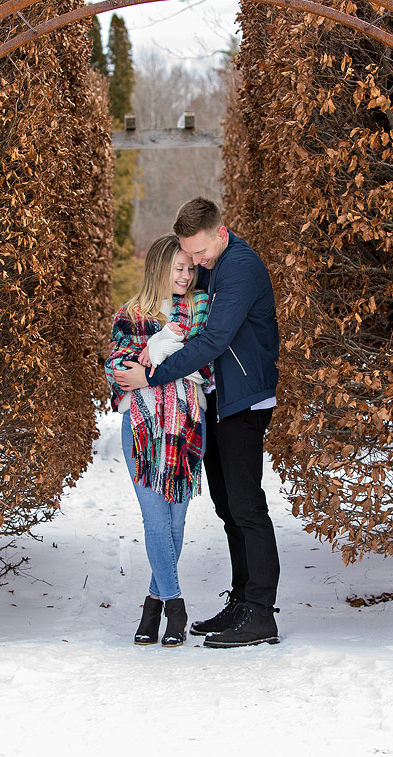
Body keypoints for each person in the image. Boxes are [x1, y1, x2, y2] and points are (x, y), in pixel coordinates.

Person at [114, 198, 281, 648]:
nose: (197, 265)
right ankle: (242, 602)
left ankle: (261, 613)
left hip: (245, 400)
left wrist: (151, 373)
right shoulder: (211, 264)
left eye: (201, 254)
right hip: (219, 401)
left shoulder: (240, 266)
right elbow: (175, 299)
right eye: (191, 257)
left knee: (246, 506)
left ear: (221, 232)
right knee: (228, 507)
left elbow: (214, 338)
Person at [106, 234, 213, 647]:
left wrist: (158, 362)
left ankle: (152, 605)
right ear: (158, 270)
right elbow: (117, 367)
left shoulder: (201, 314)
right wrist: (167, 354)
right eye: (179, 268)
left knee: (177, 521)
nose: (187, 275)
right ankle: (174, 602)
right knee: (155, 519)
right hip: (143, 427)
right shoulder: (132, 314)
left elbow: (206, 369)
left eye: (191, 268)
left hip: (187, 424)